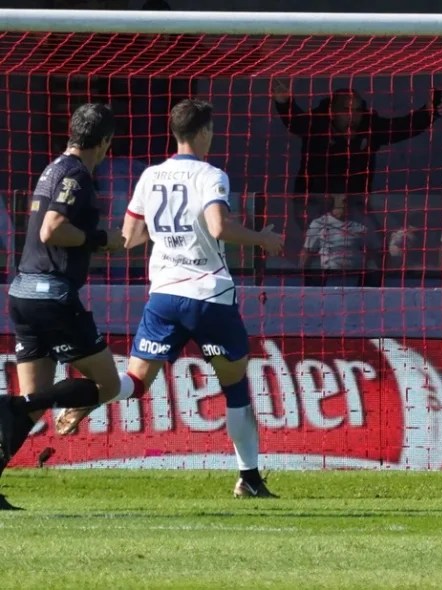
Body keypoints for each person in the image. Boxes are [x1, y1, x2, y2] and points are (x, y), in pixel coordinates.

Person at [57, 99, 285, 498]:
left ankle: (90, 398)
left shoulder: (150, 176)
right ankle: (249, 478)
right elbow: (217, 226)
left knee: (134, 382)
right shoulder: (211, 175)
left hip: (163, 295)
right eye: (211, 131)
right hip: (208, 295)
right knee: (235, 390)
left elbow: (130, 237)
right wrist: (262, 239)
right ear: (202, 133)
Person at [0, 103, 129, 510]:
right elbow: (53, 228)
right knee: (107, 385)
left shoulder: (53, 168)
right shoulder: (76, 174)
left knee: (35, 403)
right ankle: (12, 403)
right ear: (105, 142)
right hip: (51, 295)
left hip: (22, 290)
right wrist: (102, 239)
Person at [272, 82, 442, 195]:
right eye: (346, 110)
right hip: (314, 201)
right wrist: (284, 103)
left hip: (355, 204)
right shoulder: (316, 124)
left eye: (357, 110)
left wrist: (427, 113)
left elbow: (401, 128)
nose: (352, 116)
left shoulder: (369, 127)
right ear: (333, 112)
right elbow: (295, 122)